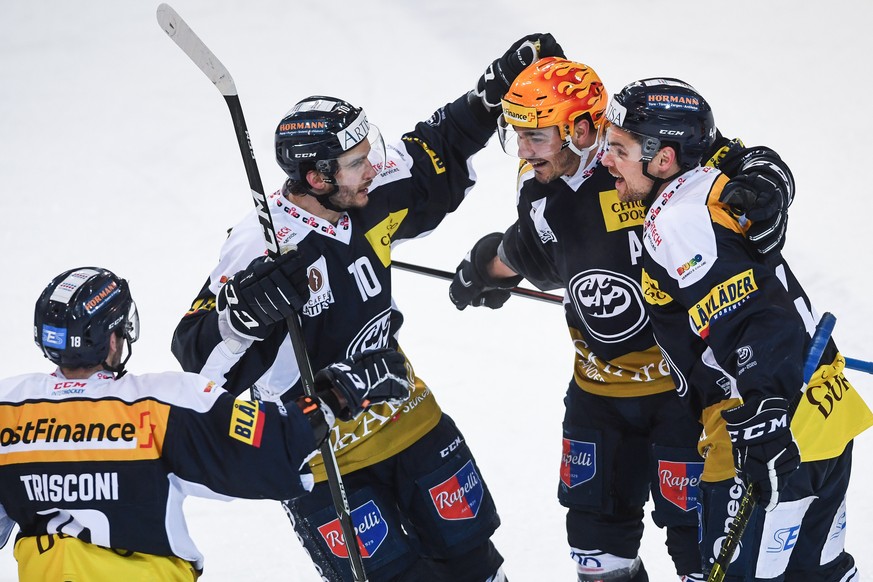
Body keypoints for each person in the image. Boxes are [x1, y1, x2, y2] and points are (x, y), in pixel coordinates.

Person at [170, 33, 565, 582]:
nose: (374, 168)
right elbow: (195, 354)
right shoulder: (259, 245)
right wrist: (241, 317)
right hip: (326, 459)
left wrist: (491, 91)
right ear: (317, 177)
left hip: (411, 421)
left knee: (477, 567)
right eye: (358, 163)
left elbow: (437, 150)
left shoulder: (363, 194)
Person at [447, 57, 795, 581]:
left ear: (581, 129)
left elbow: (744, 160)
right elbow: (537, 246)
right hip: (598, 398)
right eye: (516, 135)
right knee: (597, 556)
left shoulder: (643, 157)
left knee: (702, 556)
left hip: (682, 399)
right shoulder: (541, 184)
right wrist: (487, 269)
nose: (522, 151)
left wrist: (770, 184)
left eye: (535, 137)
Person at [600, 77, 873, 581]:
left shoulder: (674, 217)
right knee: (822, 575)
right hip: (823, 405)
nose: (604, 160)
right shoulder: (705, 182)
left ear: (662, 159)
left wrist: (766, 421)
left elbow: (747, 314)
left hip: (769, 422)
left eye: (617, 149)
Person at [0, 266, 409, 582]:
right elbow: (274, 446)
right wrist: (342, 392)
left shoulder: (5, 409)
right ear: (111, 340)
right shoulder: (165, 403)